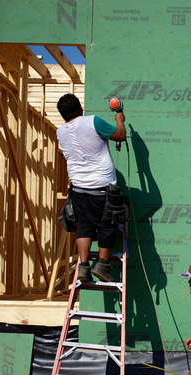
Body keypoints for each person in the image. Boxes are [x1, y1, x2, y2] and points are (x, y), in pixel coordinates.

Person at [56, 93, 126, 282]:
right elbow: (120, 135)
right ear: (80, 107)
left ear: (62, 114)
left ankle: (84, 267)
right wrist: (119, 119)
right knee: (107, 225)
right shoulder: (93, 122)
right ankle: (102, 266)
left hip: (78, 190)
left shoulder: (60, 132)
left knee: (84, 227)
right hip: (101, 188)